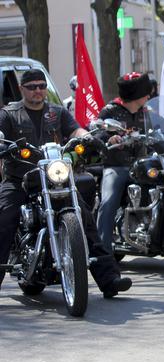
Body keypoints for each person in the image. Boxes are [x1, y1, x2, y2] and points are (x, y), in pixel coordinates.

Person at [0, 69, 131, 298]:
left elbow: (75, 129)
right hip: (20, 180)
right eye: (32, 87)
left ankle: (110, 280)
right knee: (5, 218)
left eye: (42, 86)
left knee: (85, 217)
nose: (38, 91)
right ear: (22, 89)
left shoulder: (57, 112)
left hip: (54, 178)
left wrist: (86, 137)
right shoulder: (10, 114)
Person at [95, 72, 152, 254]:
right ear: (137, 95)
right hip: (117, 165)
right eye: (145, 93)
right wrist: (110, 138)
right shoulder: (110, 111)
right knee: (109, 200)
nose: (149, 96)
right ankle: (102, 250)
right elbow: (98, 131)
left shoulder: (146, 112)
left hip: (143, 165)